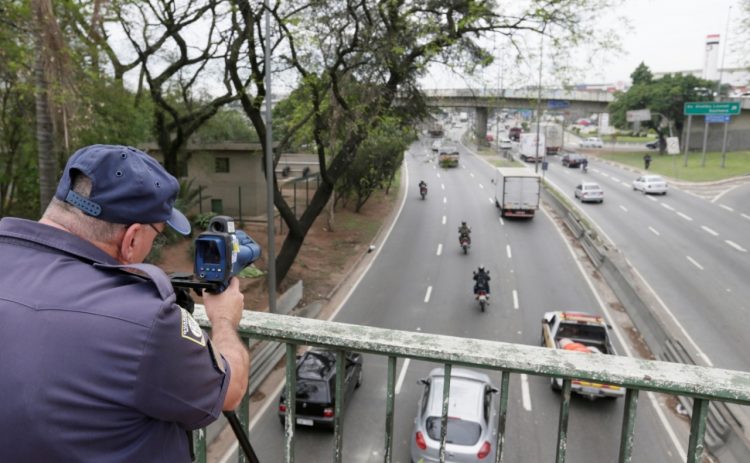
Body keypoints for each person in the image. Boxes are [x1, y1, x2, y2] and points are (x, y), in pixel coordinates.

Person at [0, 145, 250, 462]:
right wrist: (224, 320)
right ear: (131, 239)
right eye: (157, 235)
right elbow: (231, 390)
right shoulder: (145, 320)